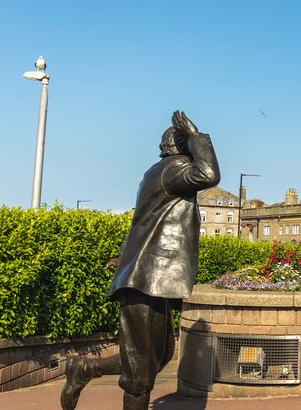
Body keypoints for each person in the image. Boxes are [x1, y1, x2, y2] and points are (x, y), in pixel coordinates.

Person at [61, 111, 220, 410]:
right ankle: (86, 372)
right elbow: (209, 174)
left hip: (153, 277)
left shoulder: (156, 172)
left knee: (159, 355)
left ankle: (83, 368)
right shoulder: (175, 170)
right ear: (183, 148)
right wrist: (198, 136)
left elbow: (143, 221)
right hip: (146, 278)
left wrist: (125, 253)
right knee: (140, 374)